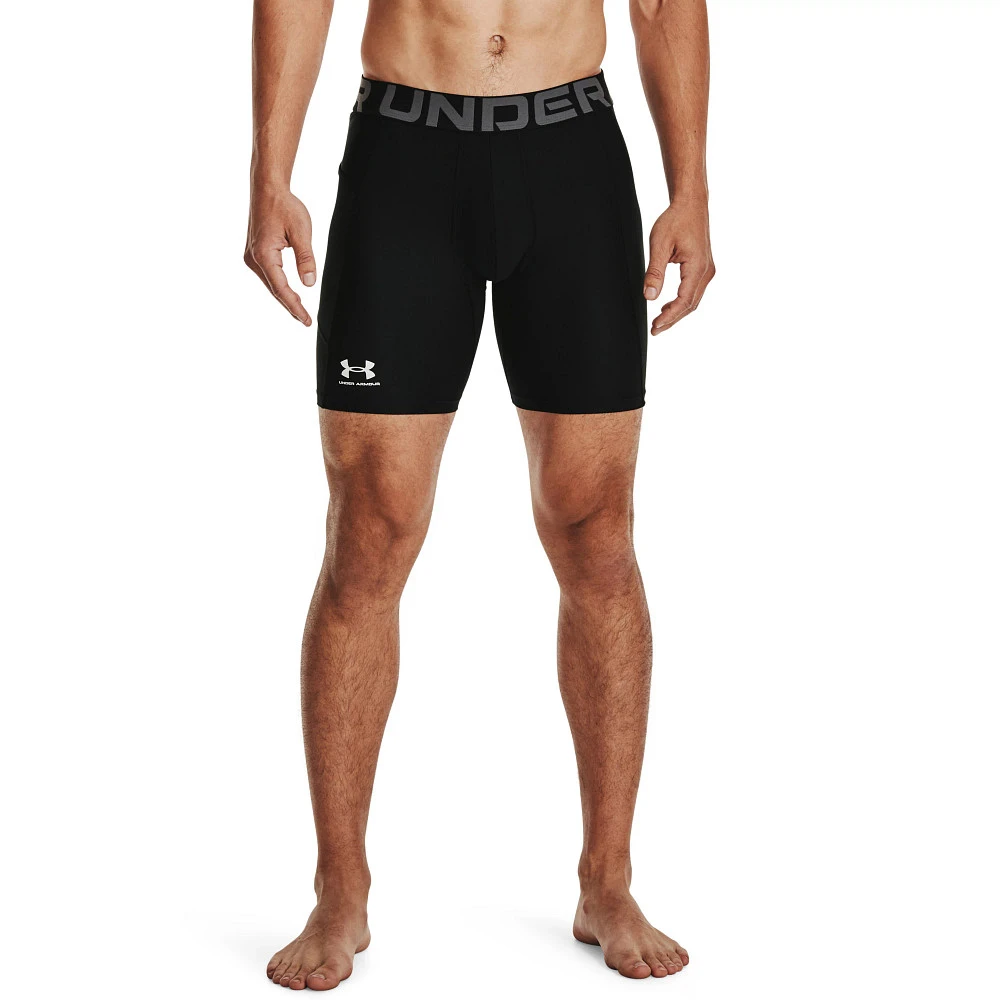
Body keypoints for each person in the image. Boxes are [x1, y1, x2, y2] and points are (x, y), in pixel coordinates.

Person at [245, 0, 715, 989]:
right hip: (404, 157)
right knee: (369, 530)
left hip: (571, 157)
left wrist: (691, 189)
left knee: (596, 529)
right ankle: (339, 889)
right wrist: (269, 173)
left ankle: (607, 881)